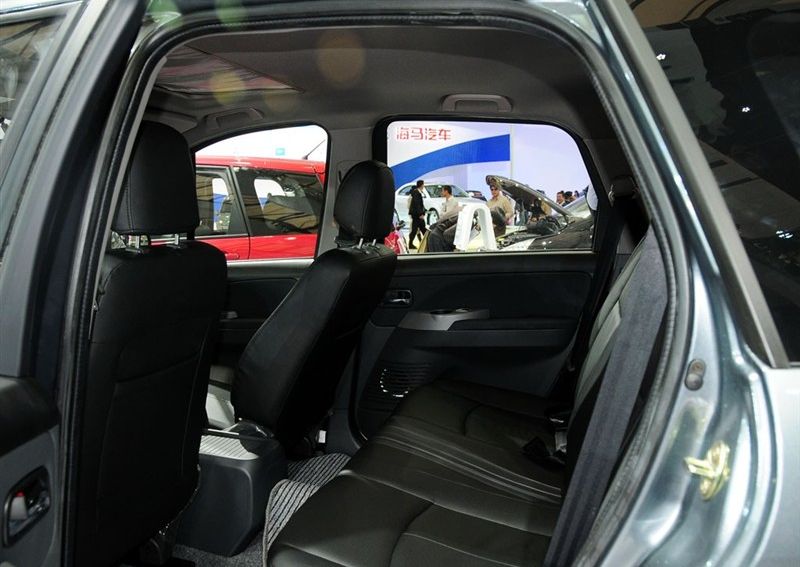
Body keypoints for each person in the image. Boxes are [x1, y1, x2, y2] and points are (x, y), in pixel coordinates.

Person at [408, 179, 427, 249]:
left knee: (419, 229)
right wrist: (420, 214)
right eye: (423, 184)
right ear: (421, 185)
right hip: (417, 215)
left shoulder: (417, 192)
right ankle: (411, 244)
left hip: (416, 215)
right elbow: (417, 204)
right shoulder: (416, 193)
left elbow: (419, 204)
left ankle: (412, 244)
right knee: (419, 229)